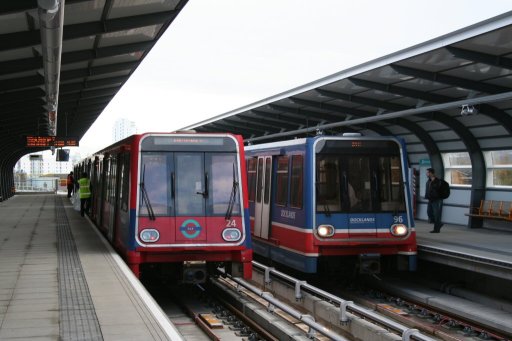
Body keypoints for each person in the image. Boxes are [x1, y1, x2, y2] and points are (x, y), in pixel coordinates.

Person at [425, 167, 444, 233]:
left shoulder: (438, 181)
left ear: (430, 173)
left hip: (436, 199)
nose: (426, 174)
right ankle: (439, 223)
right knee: (429, 212)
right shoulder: (429, 180)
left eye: (427, 172)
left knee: (436, 214)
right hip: (430, 199)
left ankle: (436, 229)